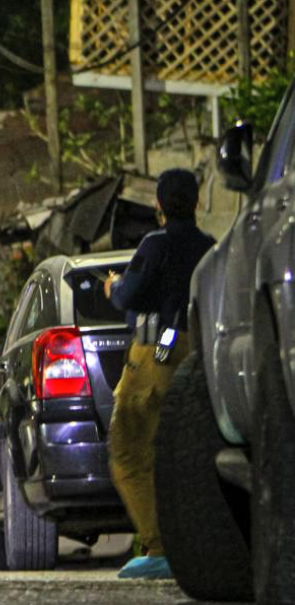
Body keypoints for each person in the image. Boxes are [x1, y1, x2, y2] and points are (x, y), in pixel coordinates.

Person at [103, 168, 215, 580]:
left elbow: (130, 296)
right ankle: (198, 544)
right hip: (198, 356)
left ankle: (159, 547)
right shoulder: (210, 249)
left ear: (159, 206)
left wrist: (114, 288)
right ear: (198, 202)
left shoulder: (154, 244)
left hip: (156, 356)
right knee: (188, 456)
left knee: (129, 450)